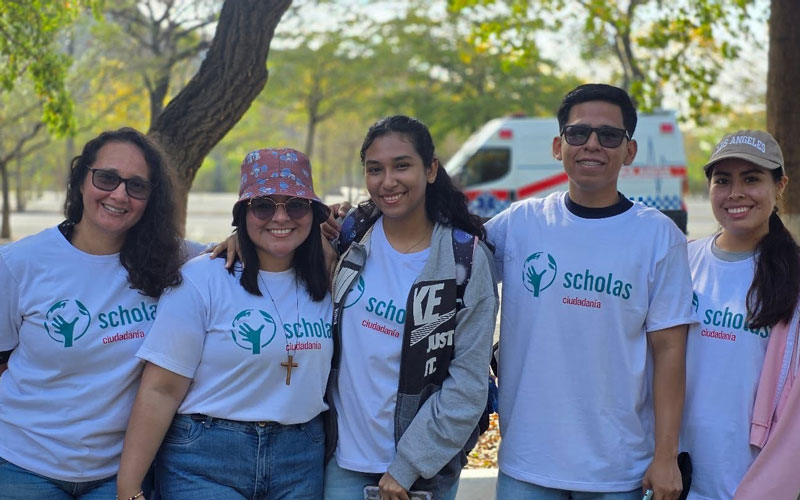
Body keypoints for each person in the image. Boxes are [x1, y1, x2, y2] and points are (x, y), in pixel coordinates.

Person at [486, 84, 696, 500]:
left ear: (629, 151)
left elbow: (670, 352)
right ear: (558, 146)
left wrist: (666, 456)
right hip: (527, 463)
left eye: (609, 135)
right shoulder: (519, 223)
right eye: (578, 133)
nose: (592, 144)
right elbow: (450, 266)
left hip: (618, 471)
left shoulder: (658, 236)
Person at [116, 148, 333, 500]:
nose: (280, 217)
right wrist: (129, 487)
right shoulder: (202, 279)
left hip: (300, 459)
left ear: (313, 213)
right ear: (243, 213)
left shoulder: (331, 278)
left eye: (296, 205)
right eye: (263, 206)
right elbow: (161, 390)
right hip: (206, 459)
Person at [0, 128, 184, 499]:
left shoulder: (170, 261)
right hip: (22, 464)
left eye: (136, 186)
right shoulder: (19, 263)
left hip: (119, 473)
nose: (119, 194)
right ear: (82, 179)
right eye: (107, 178)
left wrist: (237, 239)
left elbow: (233, 254)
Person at [323, 115, 498, 500]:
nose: (388, 181)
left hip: (419, 475)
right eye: (375, 169)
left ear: (430, 169)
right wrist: (238, 240)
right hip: (342, 462)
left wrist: (406, 467)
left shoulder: (464, 260)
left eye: (401, 166)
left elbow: (468, 385)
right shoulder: (352, 235)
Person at [678, 130, 800, 499]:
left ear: (779, 186)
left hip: (753, 482)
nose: (735, 193)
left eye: (751, 179)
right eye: (723, 180)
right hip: (675, 475)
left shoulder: (793, 277)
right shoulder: (681, 262)